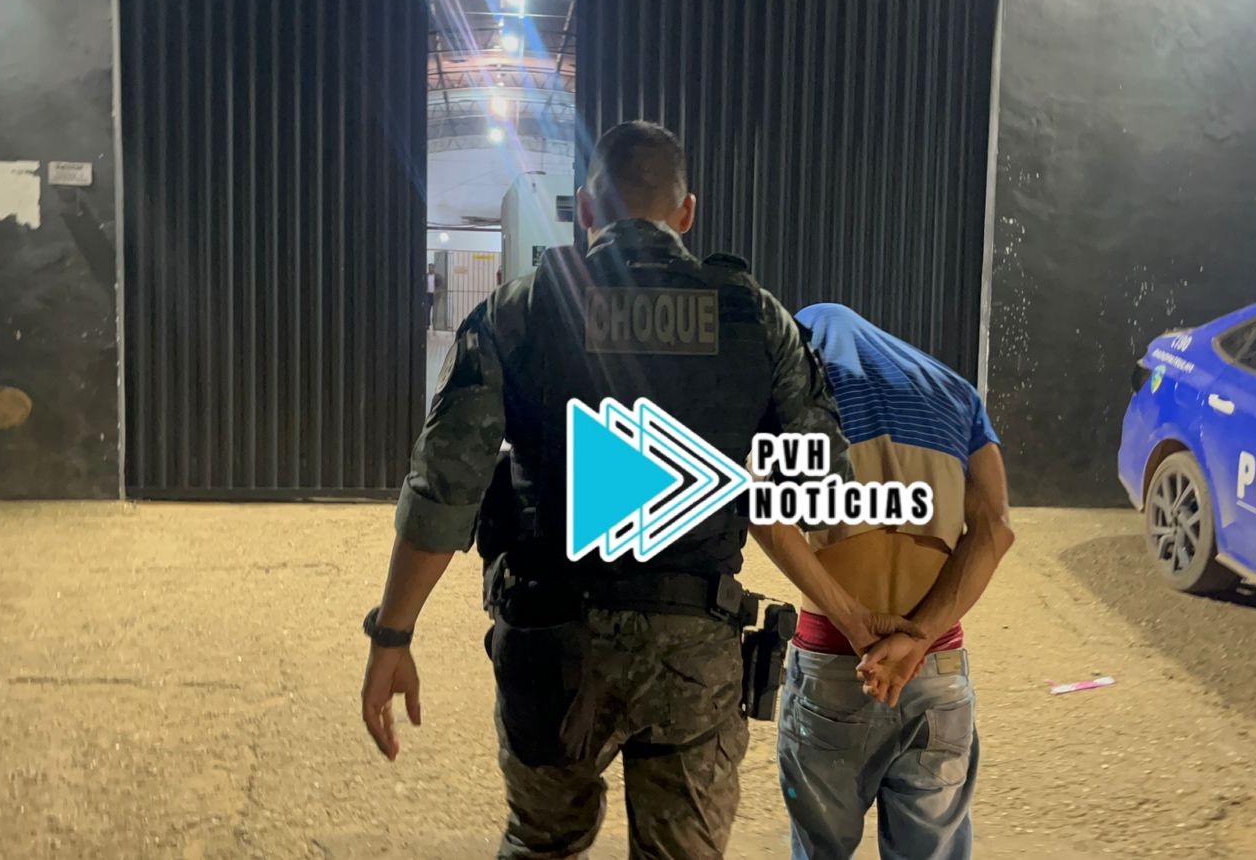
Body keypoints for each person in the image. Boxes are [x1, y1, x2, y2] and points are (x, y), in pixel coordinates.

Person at [360, 122, 912, 858]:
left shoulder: (519, 310)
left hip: (551, 646)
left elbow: (444, 488)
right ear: (687, 213)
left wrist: (393, 635)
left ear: (586, 210)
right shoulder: (756, 318)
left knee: (541, 843)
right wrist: (870, 619)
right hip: (695, 655)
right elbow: (821, 491)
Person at [778, 303, 1015, 860]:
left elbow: (766, 518)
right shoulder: (955, 394)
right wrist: (918, 639)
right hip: (935, 671)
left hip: (835, 665)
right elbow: (996, 528)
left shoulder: (797, 392)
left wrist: (856, 624)